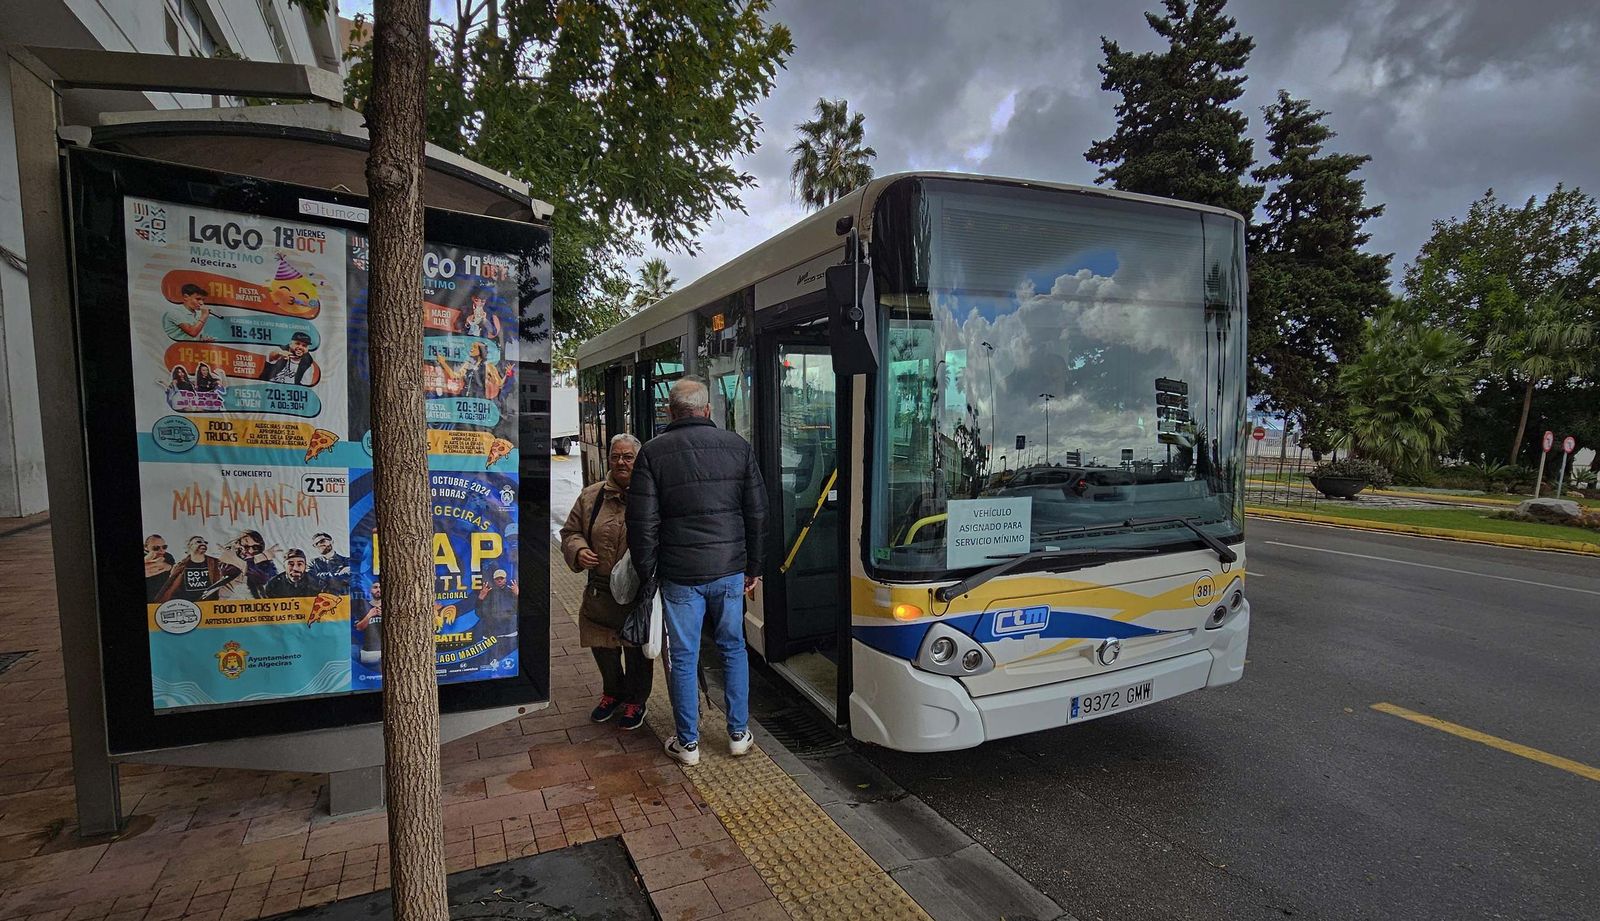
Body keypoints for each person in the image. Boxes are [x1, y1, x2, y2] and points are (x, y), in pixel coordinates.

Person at [627, 379, 767, 765]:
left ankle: (688, 744)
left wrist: (648, 574)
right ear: (707, 410)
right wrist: (754, 567)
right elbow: (757, 513)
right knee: (733, 647)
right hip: (729, 570)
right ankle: (738, 734)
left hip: (679, 575)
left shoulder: (653, 452)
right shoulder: (737, 446)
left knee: (684, 656)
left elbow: (641, 523)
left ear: (670, 412)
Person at [562, 433, 652, 731]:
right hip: (600, 592)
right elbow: (570, 532)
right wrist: (579, 550)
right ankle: (612, 692)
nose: (621, 462)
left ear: (639, 460)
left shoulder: (651, 495)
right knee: (602, 646)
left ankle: (636, 700)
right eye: (615, 457)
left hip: (637, 593)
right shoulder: (592, 496)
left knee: (636, 650)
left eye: (628, 457)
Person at [155, 535, 241, 603]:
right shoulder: (180, 566)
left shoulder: (216, 563)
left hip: (210, 604)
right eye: (198, 542)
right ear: (190, 546)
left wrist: (233, 559)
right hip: (188, 605)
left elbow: (235, 572)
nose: (203, 543)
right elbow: (171, 588)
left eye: (205, 542)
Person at [475, 568, 520, 641]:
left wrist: (517, 595)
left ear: (505, 579)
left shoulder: (512, 592)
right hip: (491, 635)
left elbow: (517, 611)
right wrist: (480, 599)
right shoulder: (487, 593)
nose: (499, 580)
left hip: (510, 633)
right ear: (493, 580)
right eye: (497, 579)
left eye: (501, 578)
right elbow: (479, 613)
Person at [354, 581, 382, 666]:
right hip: (369, 652)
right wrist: (369, 615)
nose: (378, 590)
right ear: (370, 590)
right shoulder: (363, 606)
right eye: (375, 587)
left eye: (380, 587)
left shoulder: (392, 605)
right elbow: (359, 627)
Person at [142, 535, 174, 603]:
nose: (161, 550)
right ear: (145, 547)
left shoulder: (168, 556)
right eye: (156, 548)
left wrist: (168, 567)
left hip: (164, 594)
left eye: (164, 547)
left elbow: (174, 571)